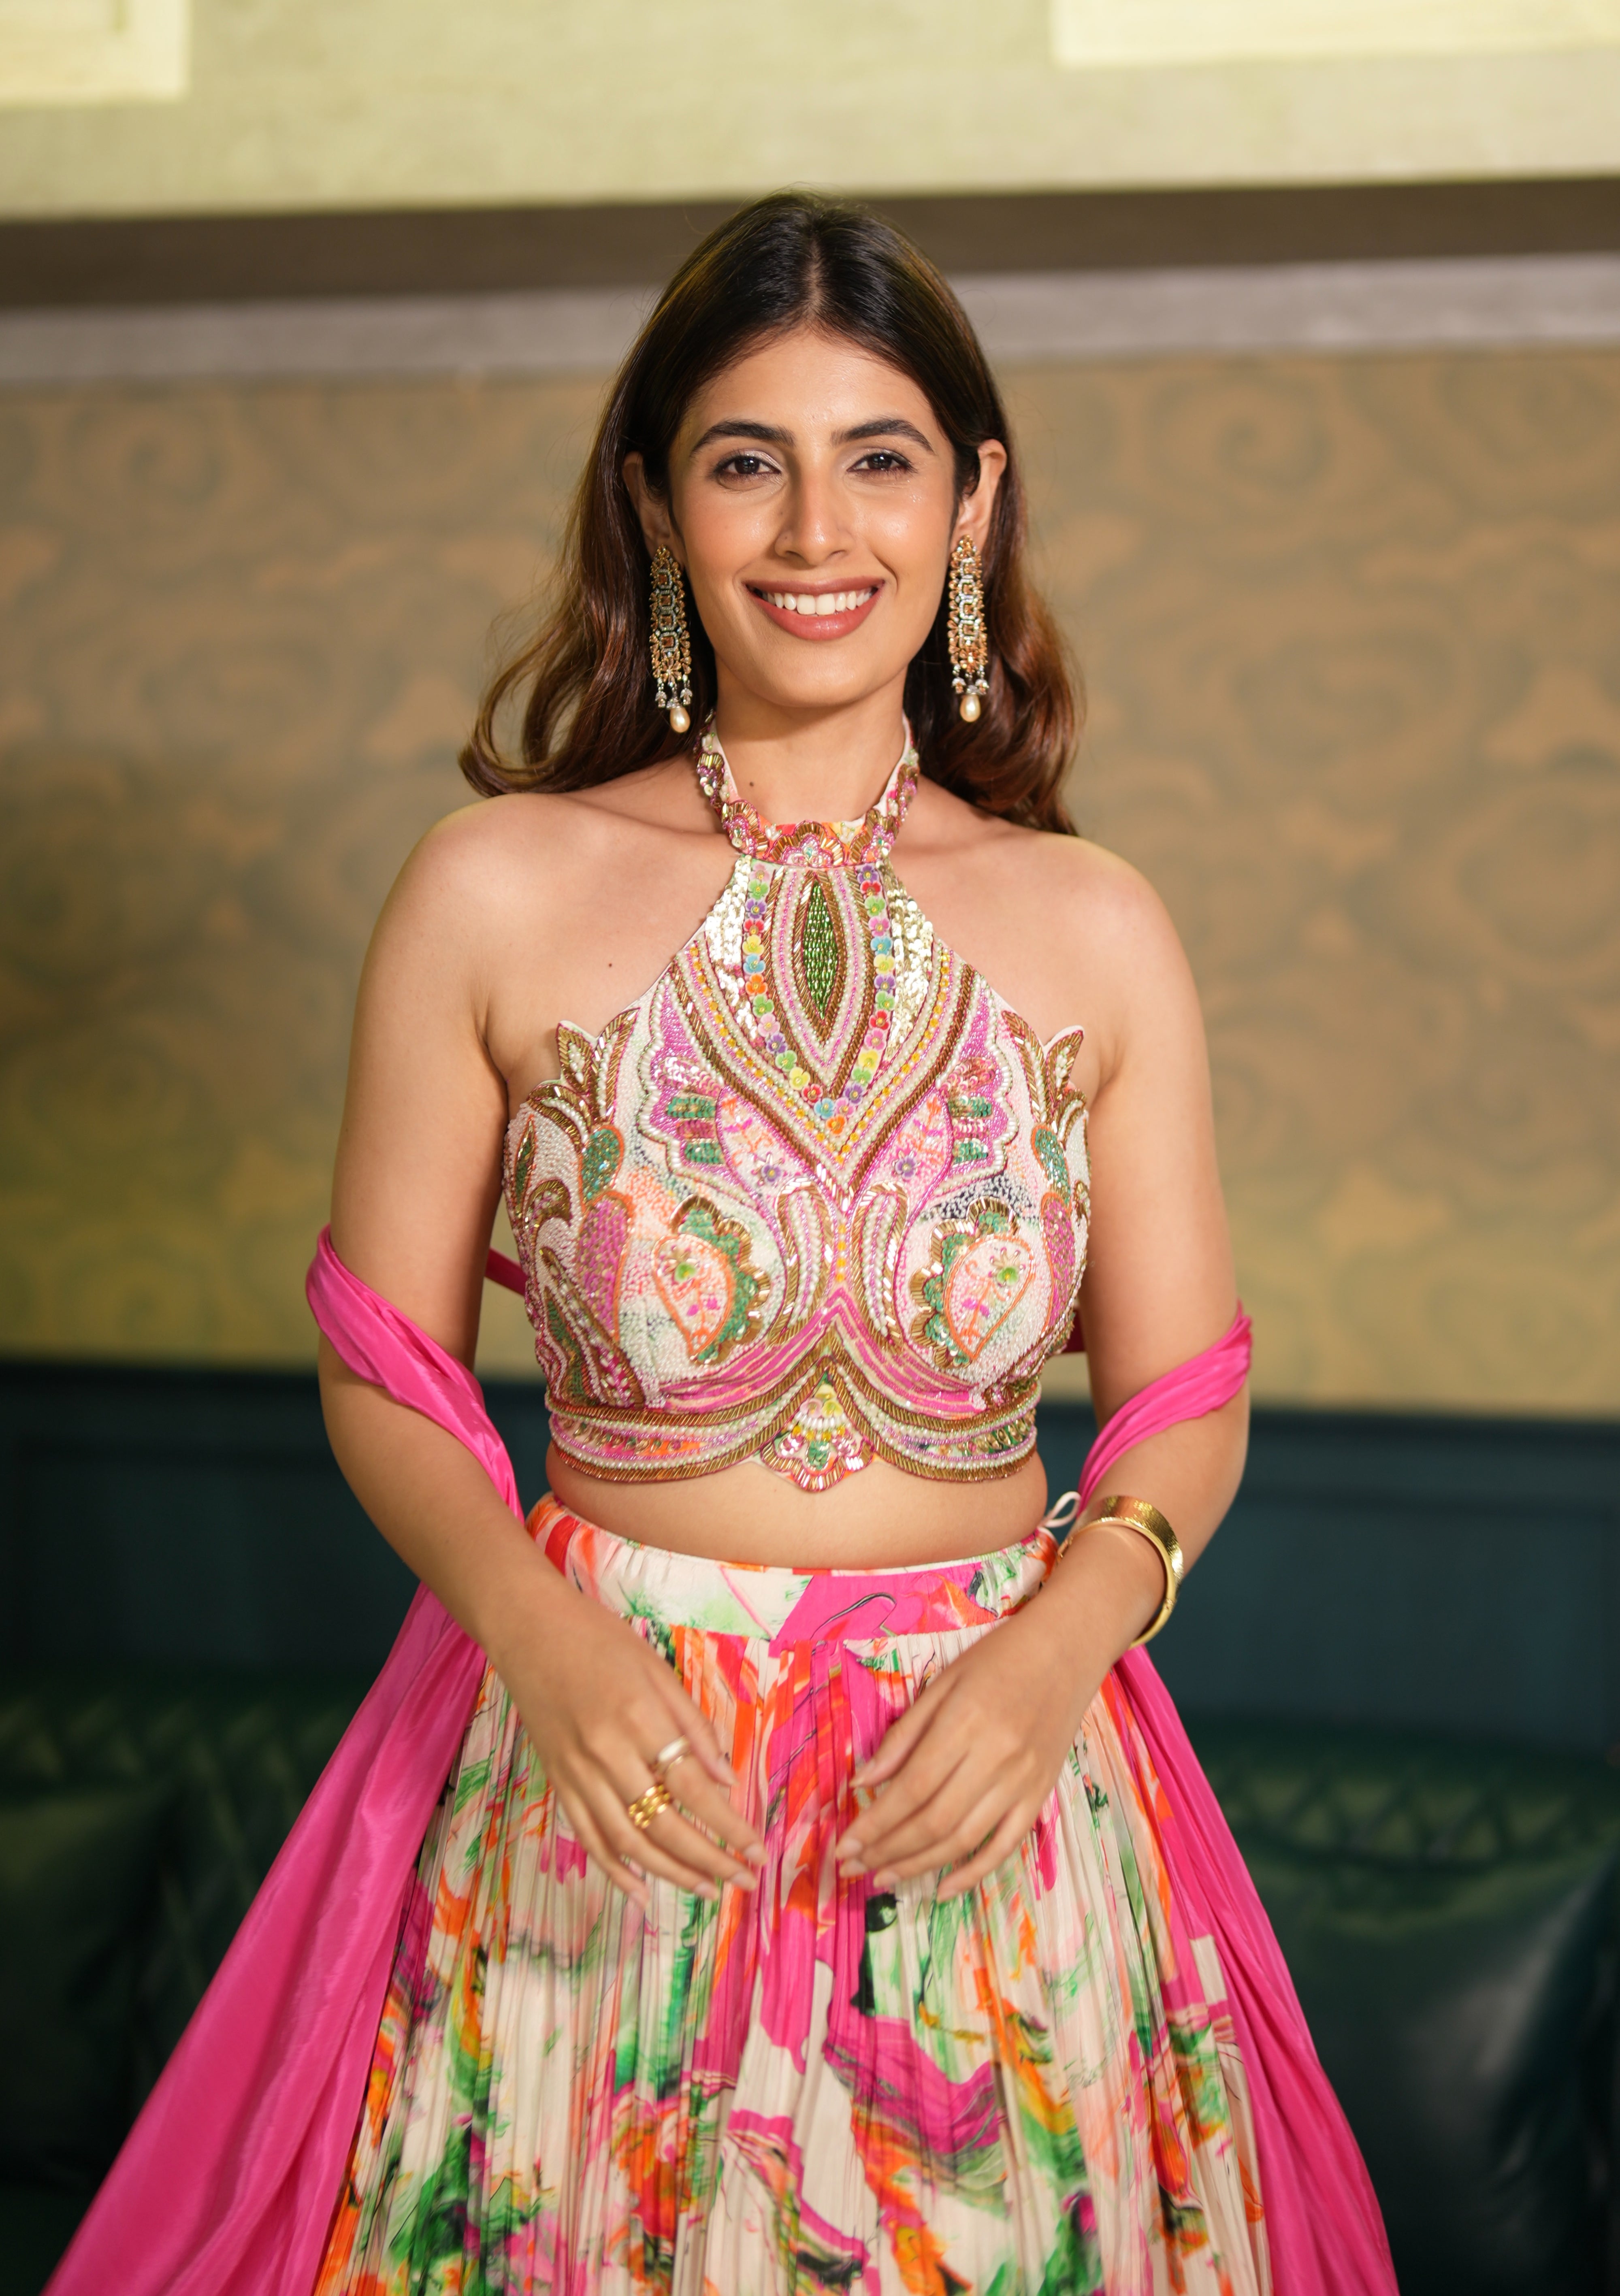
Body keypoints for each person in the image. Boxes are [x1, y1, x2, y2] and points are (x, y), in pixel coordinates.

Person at [48, 193, 1394, 2296]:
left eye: (881, 455)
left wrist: (1059, 1646)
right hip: (606, 1800)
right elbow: (382, 1366)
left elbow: (1186, 1401)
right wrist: (539, 1626)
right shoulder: (492, 888)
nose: (812, 524)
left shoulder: (1098, 921)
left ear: (973, 504)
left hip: (995, 1814)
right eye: (744, 457)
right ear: (657, 506)